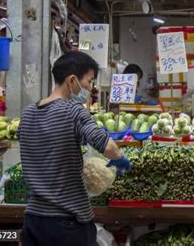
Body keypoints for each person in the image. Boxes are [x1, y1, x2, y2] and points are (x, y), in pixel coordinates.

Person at [18, 51, 131, 246]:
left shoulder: (28, 113)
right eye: (88, 81)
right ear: (72, 80)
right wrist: (120, 158)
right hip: (67, 222)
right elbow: (107, 146)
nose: (89, 88)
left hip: (33, 220)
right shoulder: (72, 110)